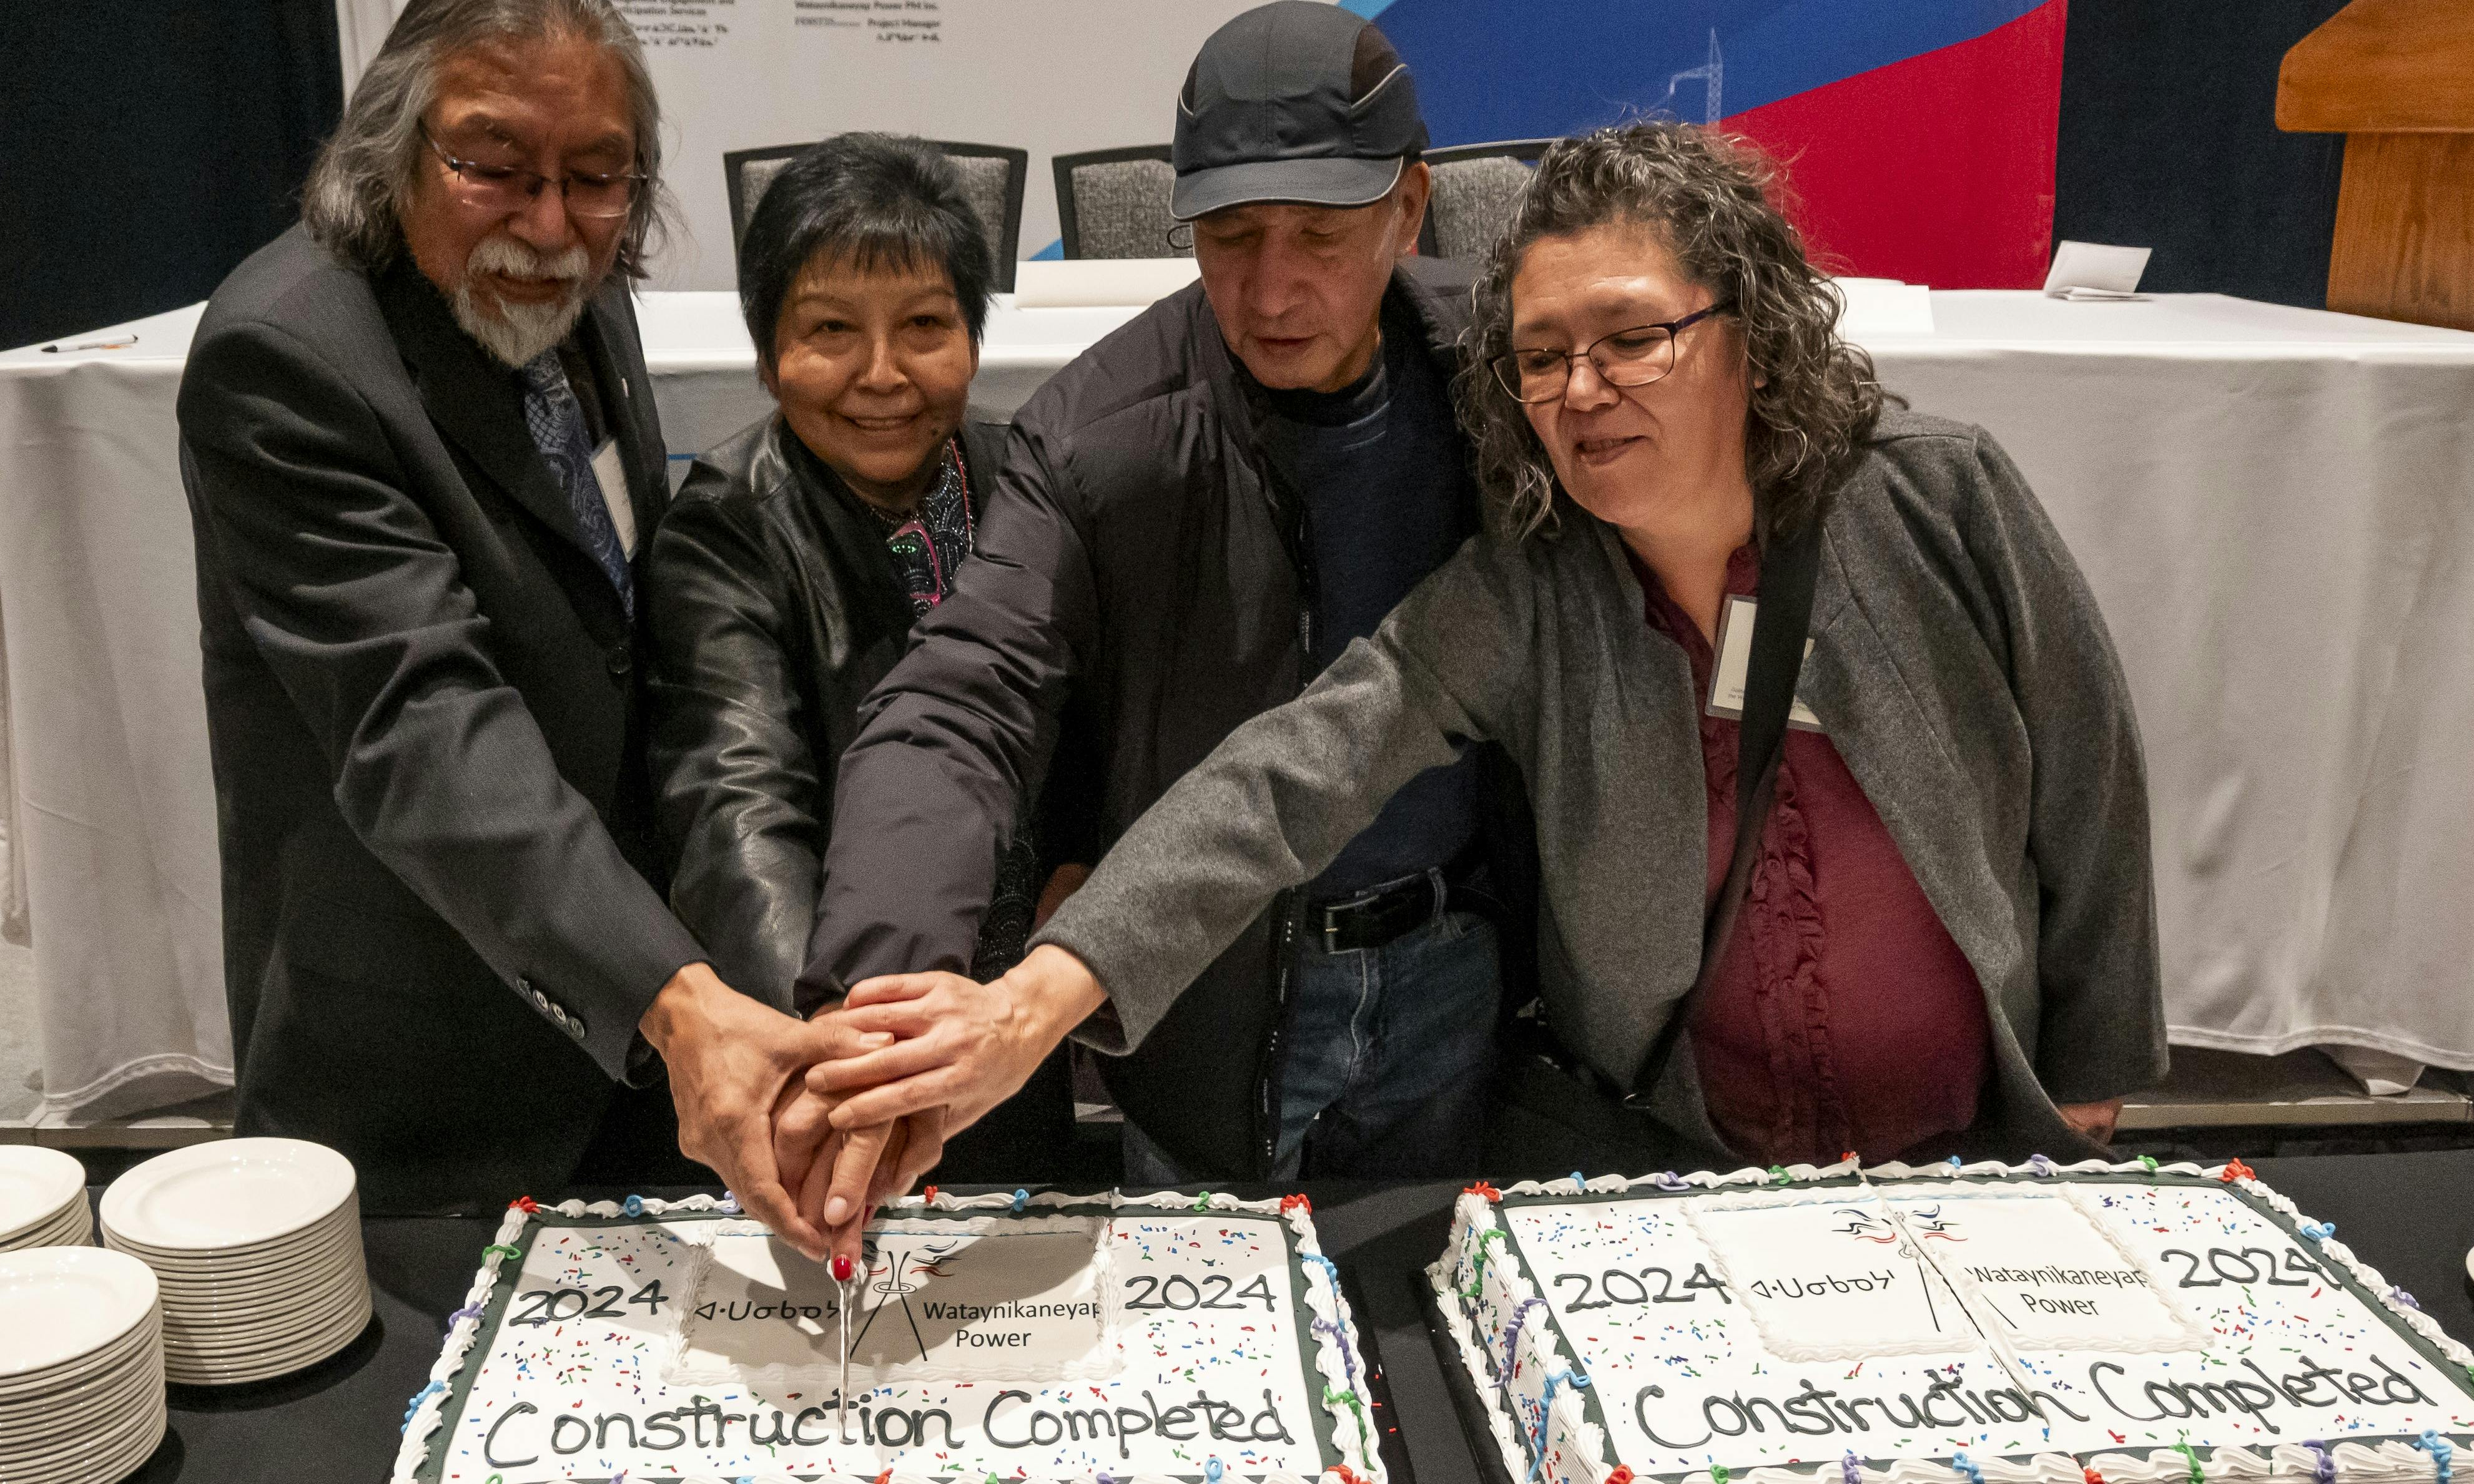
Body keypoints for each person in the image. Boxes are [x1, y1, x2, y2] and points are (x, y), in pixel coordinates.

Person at [803, 122, 2166, 1202]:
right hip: (1681, 1158)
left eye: (1632, 338)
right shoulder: (1531, 593)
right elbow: (1285, 777)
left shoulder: (1934, 498)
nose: (1583, 390)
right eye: (1541, 356)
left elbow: (2088, 784)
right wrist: (1030, 1004)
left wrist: (2089, 1069)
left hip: (1969, 1143)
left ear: (1746, 330)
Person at [791, 0, 1535, 1208]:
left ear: (1409, 209)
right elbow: (959, 699)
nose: (1272, 288)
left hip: (1458, 956)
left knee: (1428, 1284)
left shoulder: (1503, 375)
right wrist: (874, 1000)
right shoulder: (1101, 434)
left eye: (1320, 233)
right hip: (1208, 981)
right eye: (1230, 236)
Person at [177, 0, 869, 1242]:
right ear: (392, 152)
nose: (549, 226)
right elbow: (426, 731)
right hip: (427, 1085)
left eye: (597, 178)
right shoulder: (285, 362)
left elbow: (625, 624)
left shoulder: (581, 294)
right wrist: (673, 997)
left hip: (639, 1043)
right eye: (493, 166)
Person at [646, 134, 1081, 1186]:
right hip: (830, 1033)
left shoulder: (1025, 481)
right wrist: (842, 1048)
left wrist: (1079, 869)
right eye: (831, 330)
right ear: (767, 354)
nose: (881, 375)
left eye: (924, 326)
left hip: (1008, 1026)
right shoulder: (726, 526)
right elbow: (738, 804)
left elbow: (1092, 716)